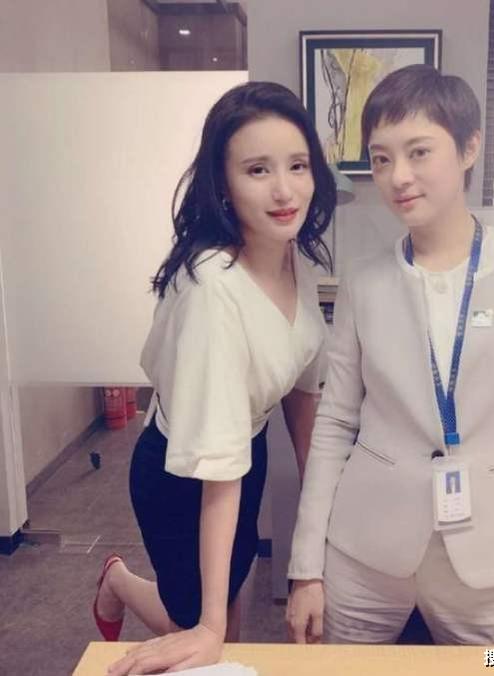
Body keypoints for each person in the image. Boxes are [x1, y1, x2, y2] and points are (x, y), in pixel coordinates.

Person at [286, 64, 494, 647]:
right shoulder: (363, 281)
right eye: (381, 159)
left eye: (419, 152)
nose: (398, 176)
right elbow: (335, 424)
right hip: (364, 555)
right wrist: (307, 568)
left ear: (470, 147)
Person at [92, 81, 336, 675]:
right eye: (258, 169)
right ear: (223, 183)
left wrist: (317, 520)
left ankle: (183, 607)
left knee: (224, 597)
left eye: (297, 165)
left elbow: (301, 390)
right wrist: (209, 628)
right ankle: (118, 582)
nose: (284, 190)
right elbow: (215, 467)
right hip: (180, 469)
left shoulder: (293, 253)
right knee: (197, 628)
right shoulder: (212, 290)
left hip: (243, 450)